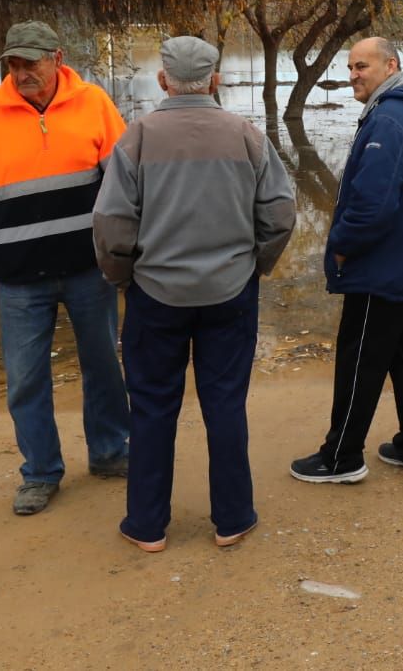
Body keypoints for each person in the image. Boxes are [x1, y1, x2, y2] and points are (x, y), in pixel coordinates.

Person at [93, 36, 296, 552]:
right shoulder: (247, 135)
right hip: (230, 293)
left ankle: (146, 525)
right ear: (215, 79)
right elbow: (278, 213)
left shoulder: (137, 138)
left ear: (163, 80)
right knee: (225, 404)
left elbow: (112, 224)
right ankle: (232, 518)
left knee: (153, 406)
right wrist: (256, 265)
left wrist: (122, 278)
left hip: (155, 295)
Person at [0, 20, 132, 516]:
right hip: (19, 278)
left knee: (102, 366)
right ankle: (40, 473)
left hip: (89, 270)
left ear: (57, 56)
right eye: (13, 62)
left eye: (31, 61)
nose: (21, 71)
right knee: (26, 378)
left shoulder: (94, 102)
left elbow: (124, 180)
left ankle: (111, 451)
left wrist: (113, 244)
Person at [291, 36, 403, 484]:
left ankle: (341, 456)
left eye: (362, 65)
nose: (353, 74)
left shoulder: (391, 120)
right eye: (351, 66)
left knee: (360, 356)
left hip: (382, 265)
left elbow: (373, 205)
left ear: (390, 65)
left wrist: (342, 244)